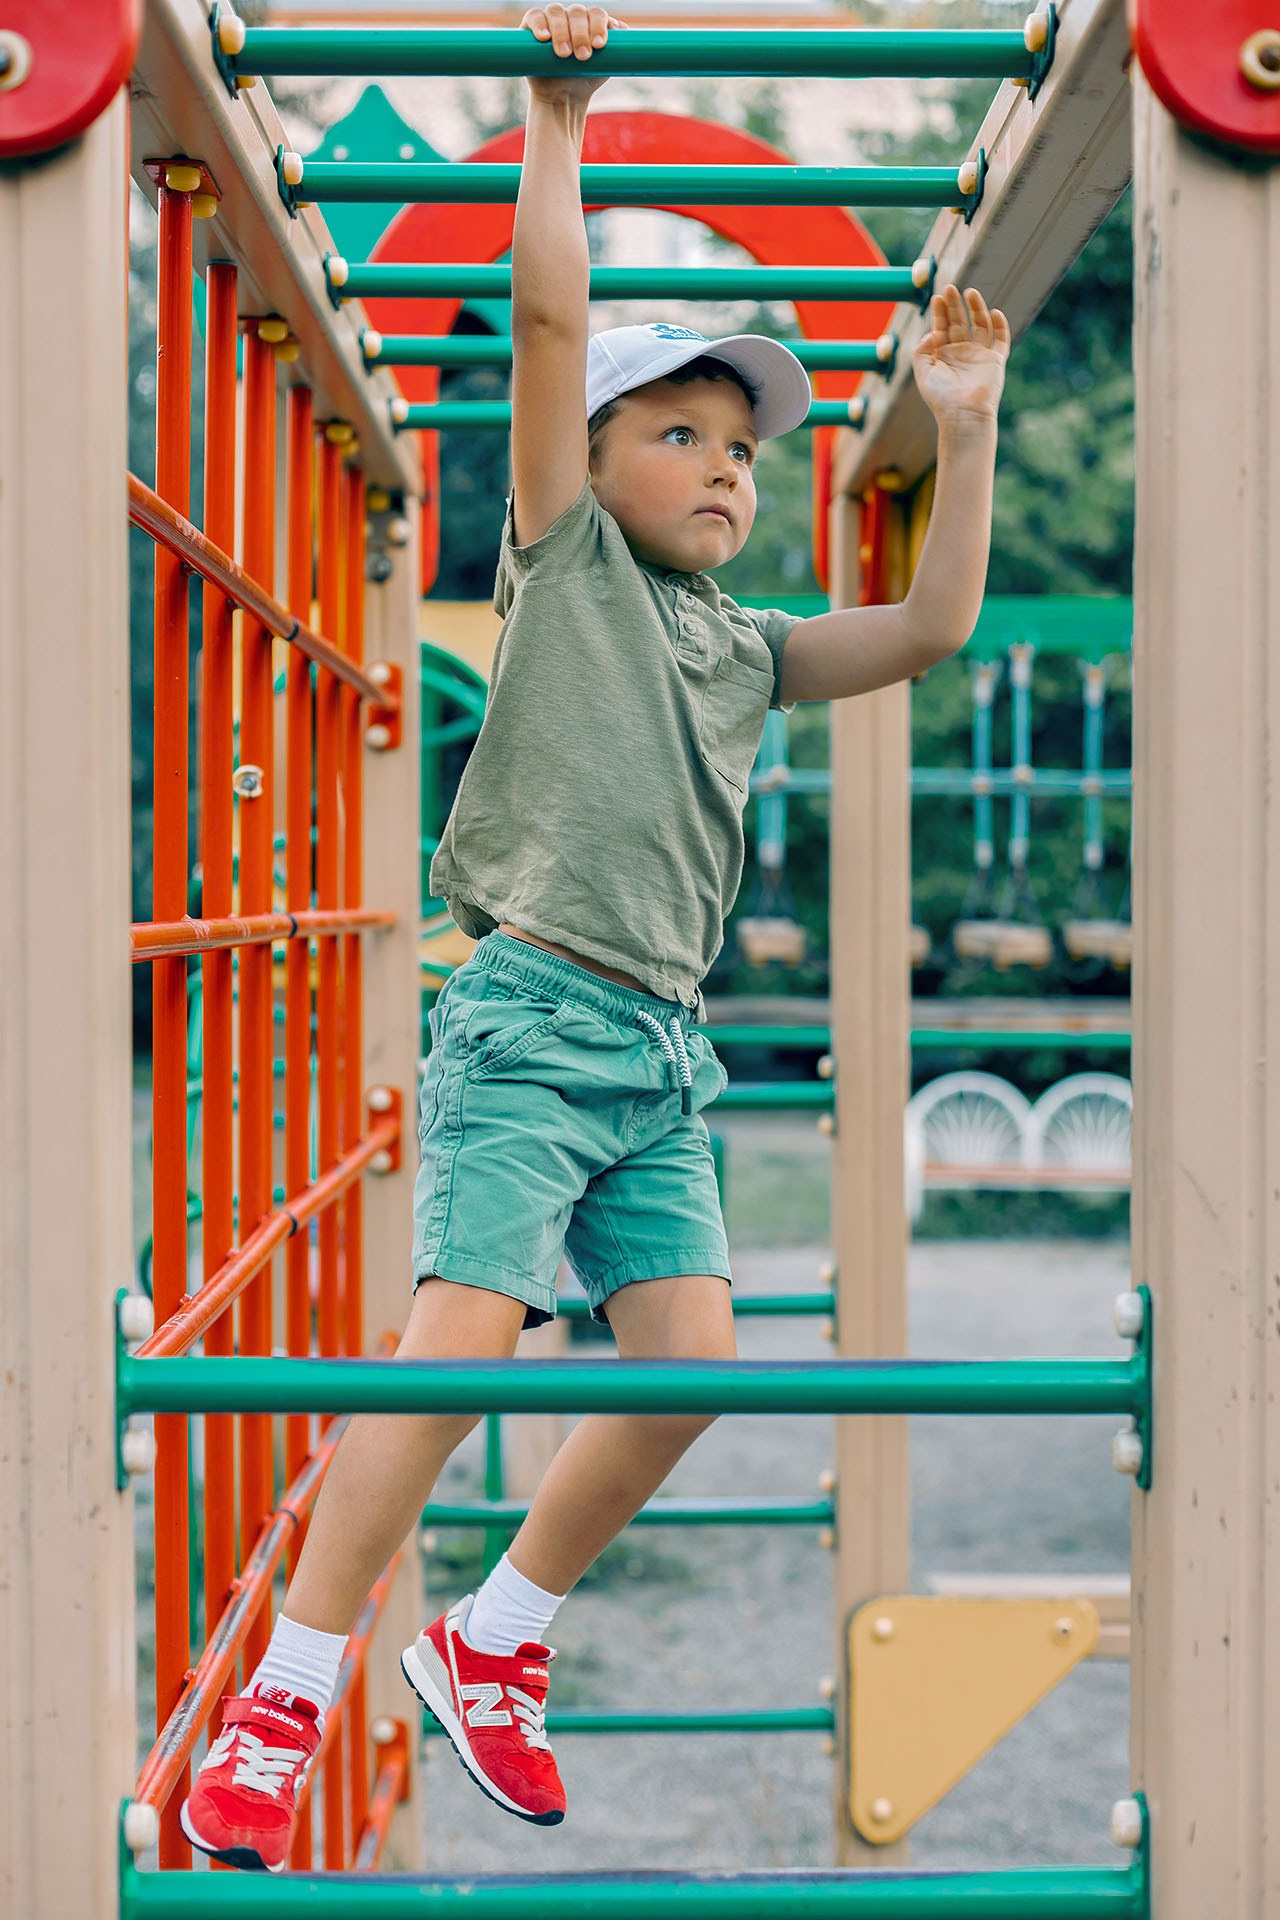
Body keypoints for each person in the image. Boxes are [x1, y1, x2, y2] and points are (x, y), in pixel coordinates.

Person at [180, 1, 1010, 1872]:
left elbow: (931, 638)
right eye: (685, 431)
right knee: (459, 1339)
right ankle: (295, 1689)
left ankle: (499, 1636)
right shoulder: (561, 569)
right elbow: (551, 327)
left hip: (664, 1055)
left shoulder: (747, 644)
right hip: (531, 1016)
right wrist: (561, 121)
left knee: (693, 1360)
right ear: (599, 454)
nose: (727, 466)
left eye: (745, 447)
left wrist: (962, 437)